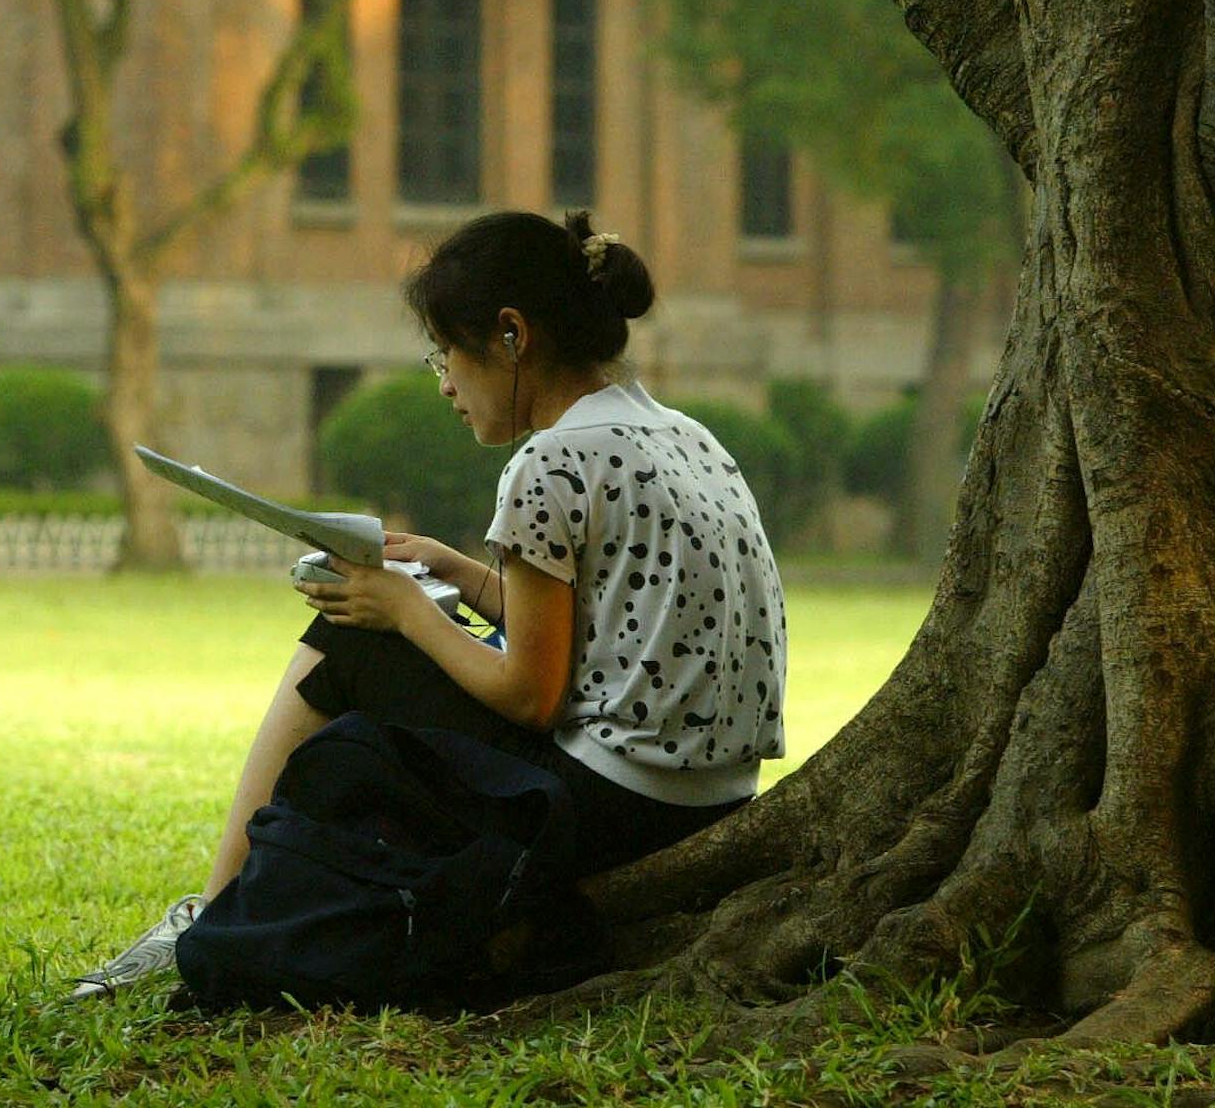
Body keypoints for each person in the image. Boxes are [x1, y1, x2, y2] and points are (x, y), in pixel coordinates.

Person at [71, 209, 788, 1000]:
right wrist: (450, 569)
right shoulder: (681, 435)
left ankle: (206, 915)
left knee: (351, 640)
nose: (444, 382)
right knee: (381, 619)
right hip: (712, 799)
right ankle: (222, 904)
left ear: (512, 336)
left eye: (447, 352)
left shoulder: (550, 461)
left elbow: (531, 695)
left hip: (609, 804)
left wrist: (405, 609)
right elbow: (613, 638)